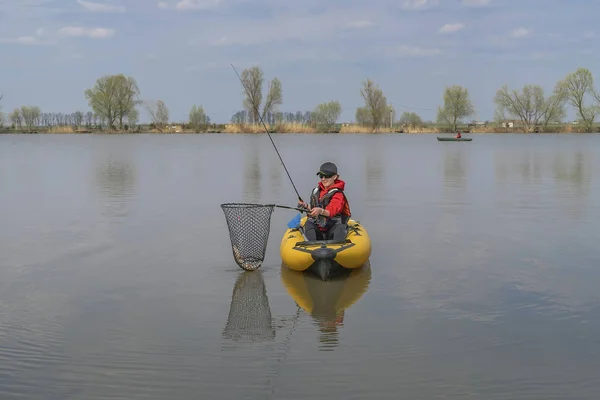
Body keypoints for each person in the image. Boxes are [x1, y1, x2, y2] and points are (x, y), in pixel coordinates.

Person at [297, 162, 351, 242]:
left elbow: (331, 211)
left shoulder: (338, 194)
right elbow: (314, 208)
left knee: (340, 228)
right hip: (318, 229)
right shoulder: (316, 191)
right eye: (321, 176)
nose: (323, 179)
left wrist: (320, 211)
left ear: (335, 177)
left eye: (327, 176)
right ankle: (312, 248)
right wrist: (306, 206)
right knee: (308, 224)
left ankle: (336, 249)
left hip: (333, 228)